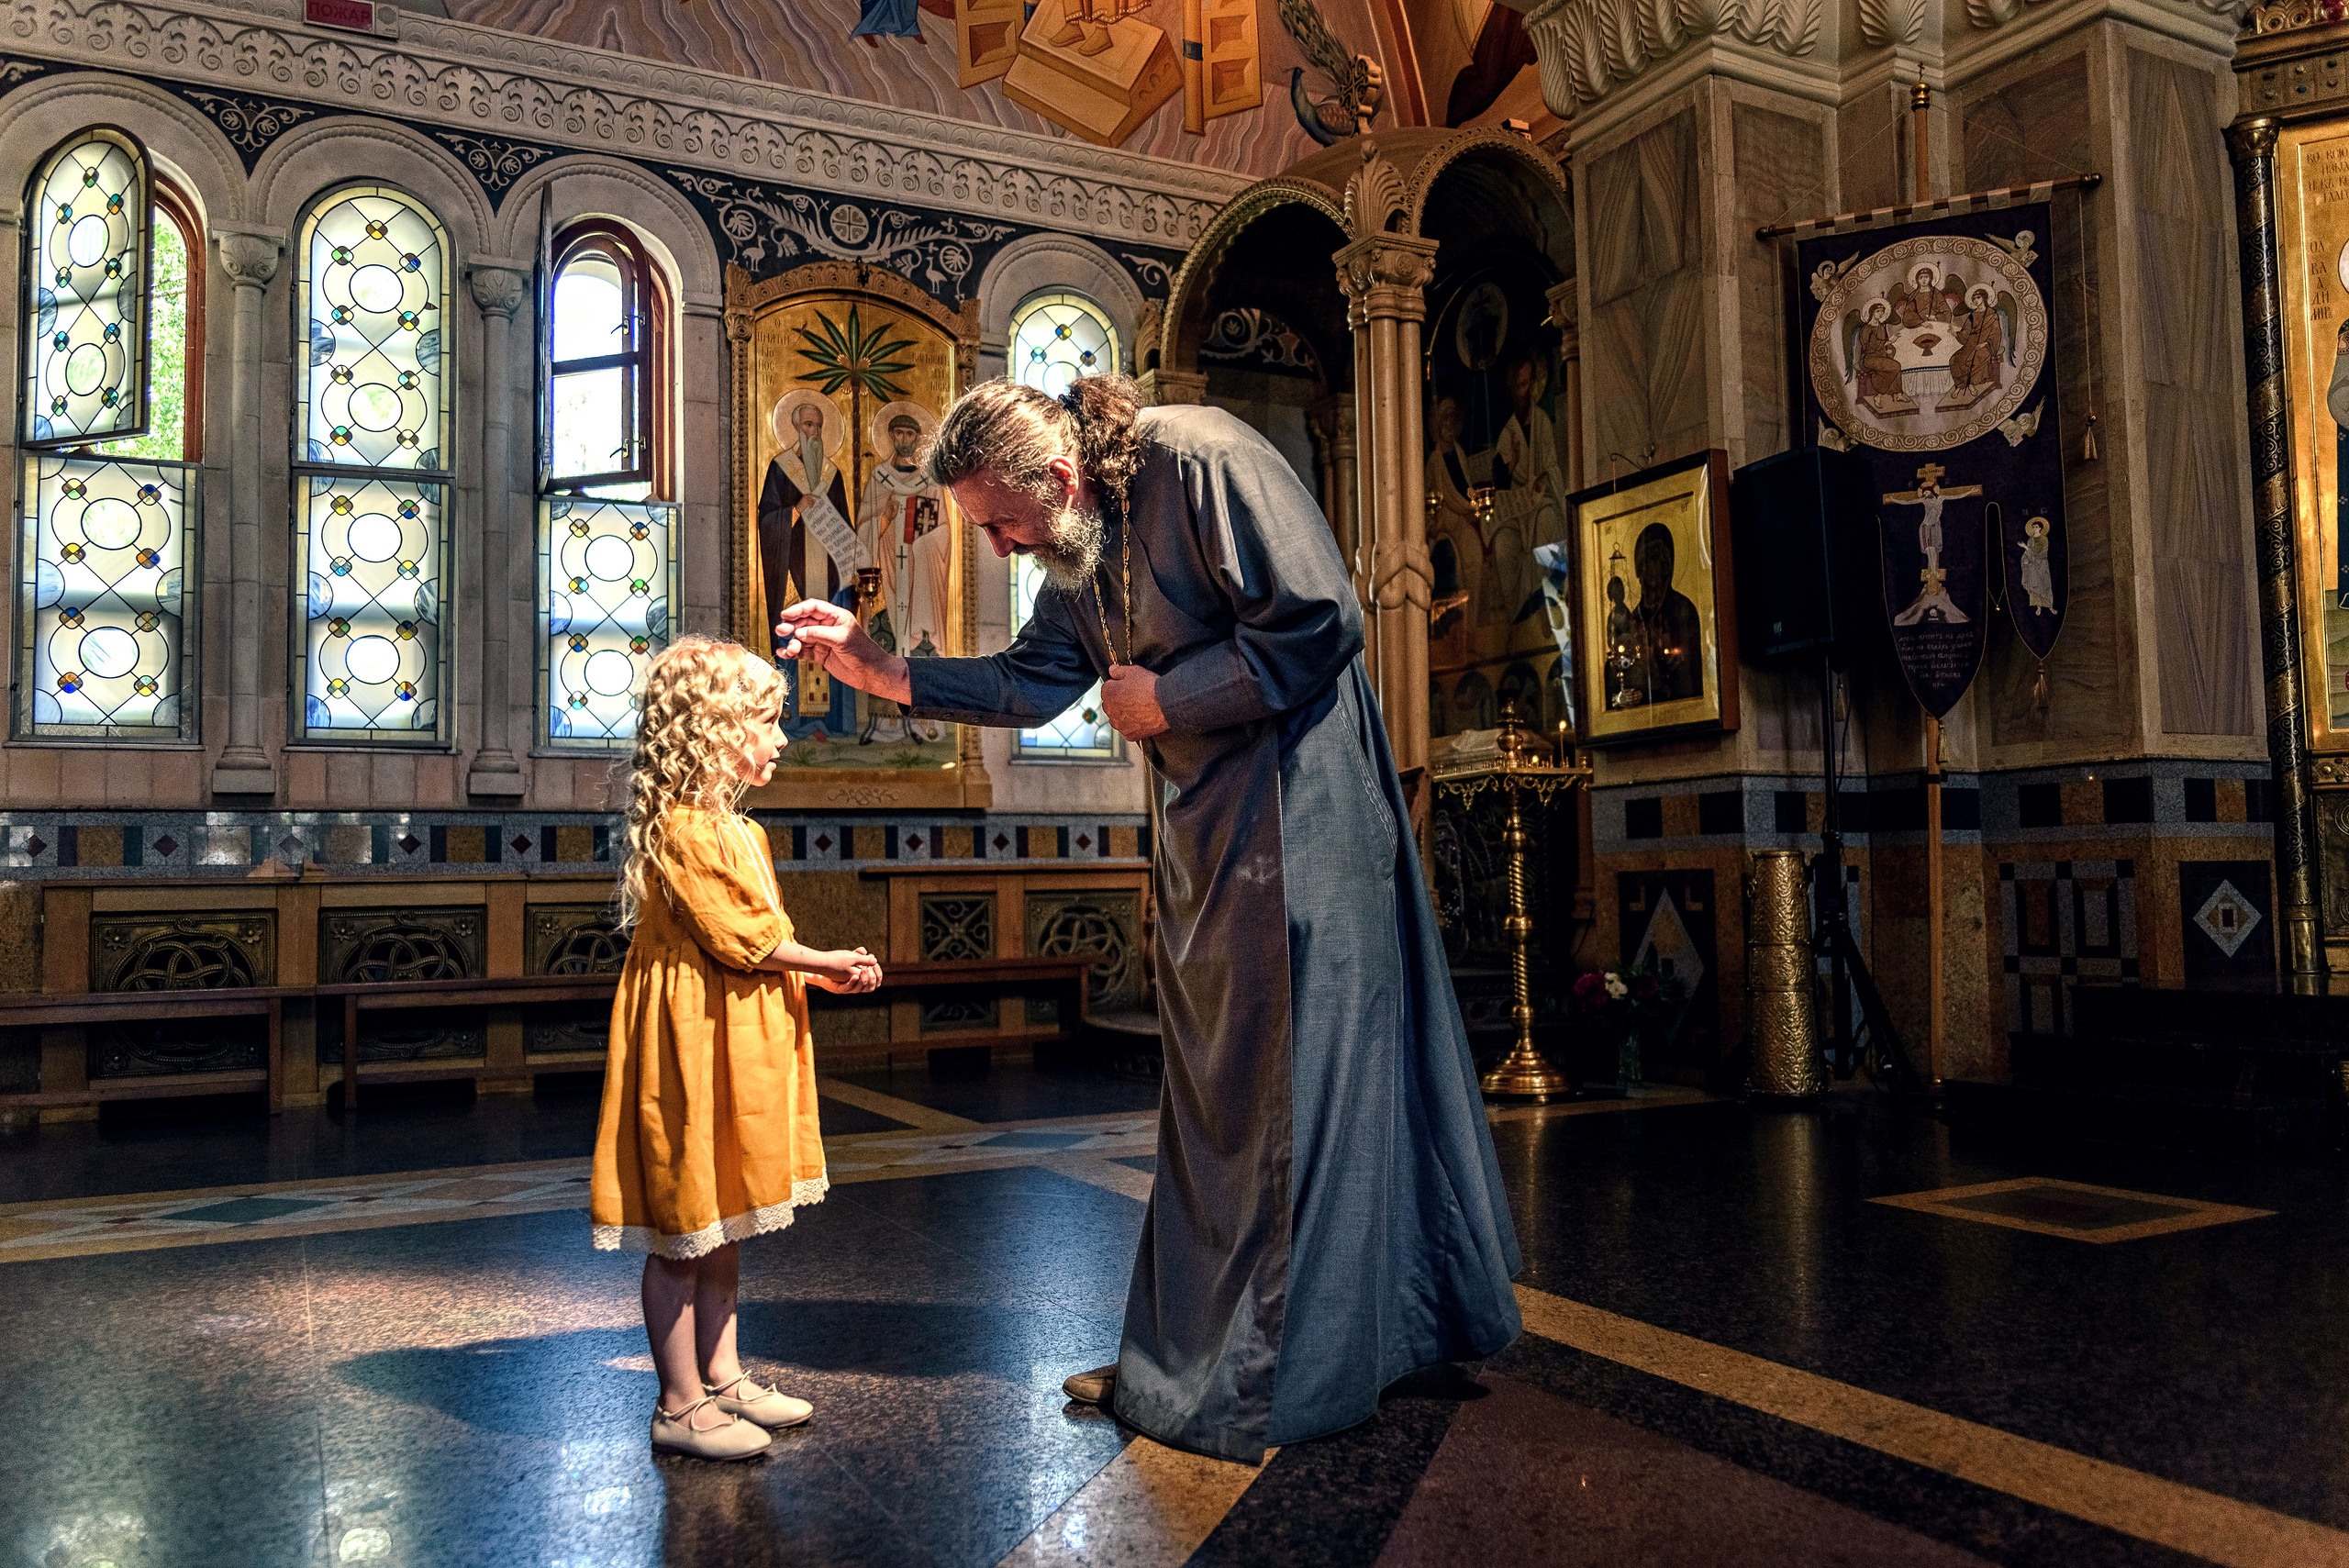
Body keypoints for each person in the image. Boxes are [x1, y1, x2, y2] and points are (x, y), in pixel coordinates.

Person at [774, 376, 1522, 1464]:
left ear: (1060, 480)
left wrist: (1170, 701)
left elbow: (1321, 620)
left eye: (999, 522)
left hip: (1296, 810)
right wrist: (880, 667)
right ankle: (1206, 1343)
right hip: (1209, 828)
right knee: (1222, 1091)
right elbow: (1033, 684)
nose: (996, 548)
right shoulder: (1079, 546)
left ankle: (1270, 1366)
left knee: (1279, 1088)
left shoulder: (1202, 460)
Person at [589, 634, 883, 1460]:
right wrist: (821, 960)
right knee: (685, 1219)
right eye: (766, 719)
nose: (781, 737)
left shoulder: (740, 831)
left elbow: (761, 937)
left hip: (738, 1031)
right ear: (715, 730)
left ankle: (722, 1375)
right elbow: (735, 935)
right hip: (692, 1036)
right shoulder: (682, 828)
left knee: (723, 1221)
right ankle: (678, 1404)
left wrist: (815, 973)